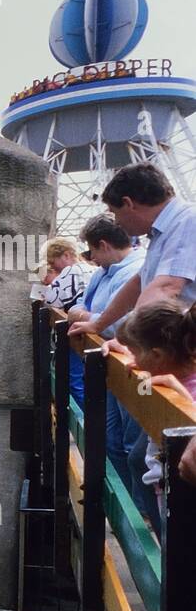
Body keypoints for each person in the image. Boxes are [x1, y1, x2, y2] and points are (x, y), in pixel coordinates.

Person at [68, 163, 196, 344]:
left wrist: (129, 340)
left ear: (128, 204)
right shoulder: (164, 230)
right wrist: (99, 325)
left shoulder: (187, 222)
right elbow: (137, 284)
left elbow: (166, 287)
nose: (117, 222)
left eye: (115, 213)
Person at [68, 214, 146, 490]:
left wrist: (91, 317)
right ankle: (118, 501)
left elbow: (121, 326)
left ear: (102, 245)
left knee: (133, 446)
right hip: (106, 367)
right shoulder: (103, 274)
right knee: (111, 439)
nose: (91, 259)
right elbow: (77, 309)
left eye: (91, 252)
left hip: (130, 368)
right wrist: (91, 316)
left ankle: (140, 515)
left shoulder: (133, 270)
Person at [116, 300, 196, 536]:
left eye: (135, 352)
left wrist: (184, 404)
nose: (133, 359)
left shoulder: (187, 389)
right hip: (165, 490)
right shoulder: (170, 375)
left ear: (157, 355)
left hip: (181, 503)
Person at [40, 237, 91, 404]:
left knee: (74, 382)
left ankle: (85, 424)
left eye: (52, 262)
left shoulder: (71, 271)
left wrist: (43, 293)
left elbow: (51, 300)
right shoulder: (93, 270)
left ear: (66, 255)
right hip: (93, 332)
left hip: (76, 332)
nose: (52, 266)